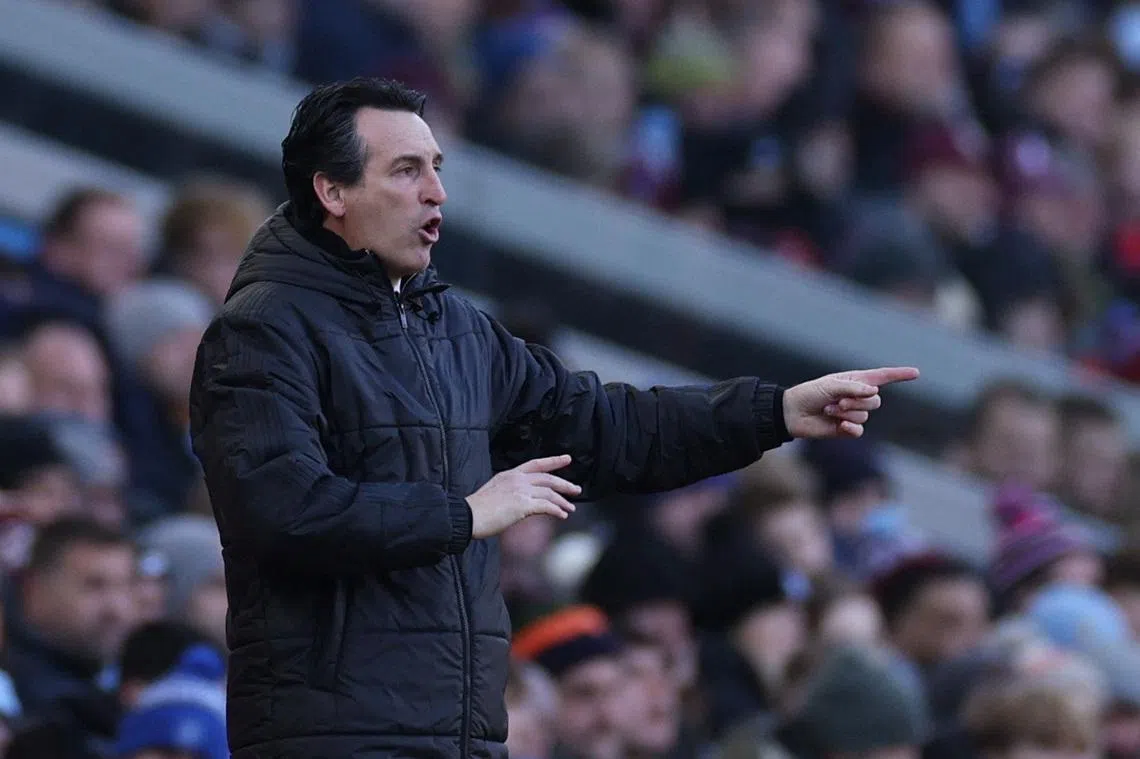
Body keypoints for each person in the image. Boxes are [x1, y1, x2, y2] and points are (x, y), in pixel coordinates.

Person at [188, 76, 919, 759]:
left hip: (458, 735)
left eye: (437, 167)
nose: (438, 193)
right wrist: (464, 513)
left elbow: (606, 427)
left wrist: (775, 411)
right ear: (332, 190)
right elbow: (283, 511)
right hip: (334, 737)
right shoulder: (263, 330)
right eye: (407, 171)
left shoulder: (457, 331)